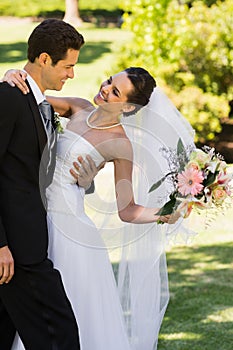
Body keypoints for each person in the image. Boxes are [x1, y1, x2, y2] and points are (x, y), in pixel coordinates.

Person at [4, 67, 195, 350]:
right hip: (32, 218)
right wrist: (11, 76)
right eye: (109, 81)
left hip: (69, 234)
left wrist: (166, 214)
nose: (105, 89)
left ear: (128, 106)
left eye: (115, 92)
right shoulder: (78, 107)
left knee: (65, 313)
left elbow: (127, 209)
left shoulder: (120, 145)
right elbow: (30, 99)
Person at [0, 19, 99, 350]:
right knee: (60, 333)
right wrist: (0, 245)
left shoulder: (38, 101)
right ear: (44, 59)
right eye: (67, 66)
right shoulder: (10, 97)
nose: (71, 74)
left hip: (29, 240)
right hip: (15, 250)